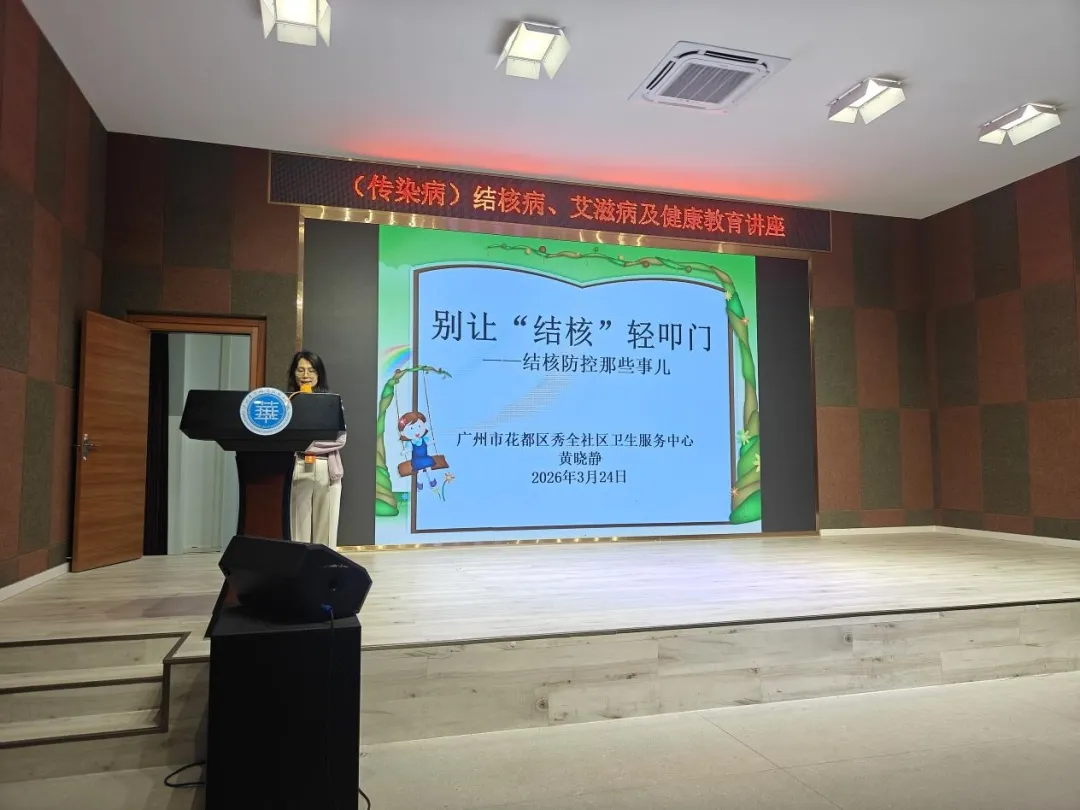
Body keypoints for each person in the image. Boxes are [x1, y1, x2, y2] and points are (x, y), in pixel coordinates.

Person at [286, 350, 345, 547]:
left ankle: (324, 566)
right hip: (297, 466)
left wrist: (305, 445)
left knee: (326, 531)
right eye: (300, 370)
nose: (306, 375)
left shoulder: (332, 402)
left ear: (319, 374)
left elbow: (339, 439)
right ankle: (299, 566)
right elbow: (282, 438)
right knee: (297, 529)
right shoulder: (287, 402)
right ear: (293, 373)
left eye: (311, 370)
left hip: (326, 467)